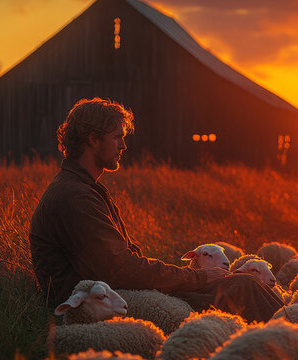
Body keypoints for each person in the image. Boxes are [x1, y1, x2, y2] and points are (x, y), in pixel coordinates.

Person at [29, 98, 283, 322]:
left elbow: (120, 266)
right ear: (93, 140)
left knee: (239, 282)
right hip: (95, 303)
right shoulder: (75, 196)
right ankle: (295, 342)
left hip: (112, 291)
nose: (123, 146)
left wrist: (191, 278)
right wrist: (199, 278)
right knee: (243, 286)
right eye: (117, 137)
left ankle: (293, 334)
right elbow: (121, 270)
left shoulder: (82, 188)